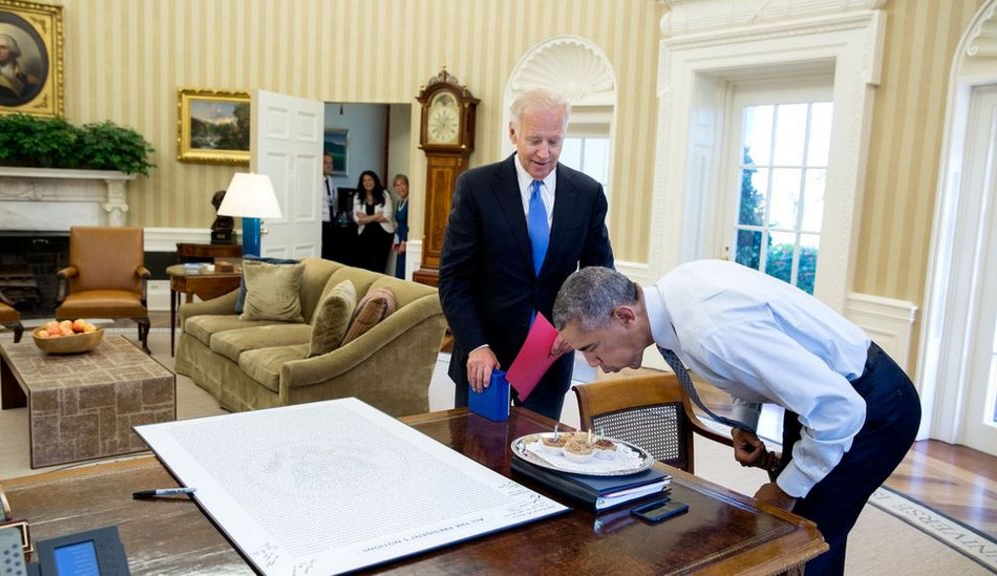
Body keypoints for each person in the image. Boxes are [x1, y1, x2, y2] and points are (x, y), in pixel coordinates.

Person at [551, 263, 922, 576]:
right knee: (807, 537)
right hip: (821, 403)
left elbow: (840, 409)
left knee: (802, 540)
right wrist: (746, 420)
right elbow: (757, 361)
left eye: (591, 348)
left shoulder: (712, 330)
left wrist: (786, 489)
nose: (591, 363)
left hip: (871, 408)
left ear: (624, 316)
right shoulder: (675, 296)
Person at [438, 87, 614, 421]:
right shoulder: (476, 187)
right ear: (513, 132)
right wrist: (476, 345)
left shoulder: (587, 193)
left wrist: (577, 328)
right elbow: (454, 279)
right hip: (484, 359)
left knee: (537, 460)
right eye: (534, 140)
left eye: (554, 141)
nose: (545, 153)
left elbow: (600, 275)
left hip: (551, 357)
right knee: (477, 457)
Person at [353, 169, 394, 273]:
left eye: (370, 179)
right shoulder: (358, 196)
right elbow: (358, 220)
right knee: (364, 266)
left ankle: (379, 288)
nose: (367, 183)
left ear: (375, 180)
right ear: (361, 183)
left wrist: (366, 217)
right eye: (364, 180)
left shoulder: (384, 194)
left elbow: (387, 216)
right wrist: (376, 216)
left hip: (383, 234)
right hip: (365, 235)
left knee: (380, 265)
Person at [321, 153, 339, 261]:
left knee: (331, 253)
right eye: (325, 163)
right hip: (321, 221)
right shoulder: (316, 181)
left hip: (331, 221)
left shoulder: (330, 180)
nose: (329, 166)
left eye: (331, 163)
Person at [392, 174, 410, 279]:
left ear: (407, 186)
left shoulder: (410, 202)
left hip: (406, 241)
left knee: (403, 271)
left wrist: (403, 242)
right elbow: (399, 225)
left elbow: (408, 224)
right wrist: (395, 240)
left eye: (402, 184)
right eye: (397, 185)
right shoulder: (399, 202)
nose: (400, 188)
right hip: (400, 240)